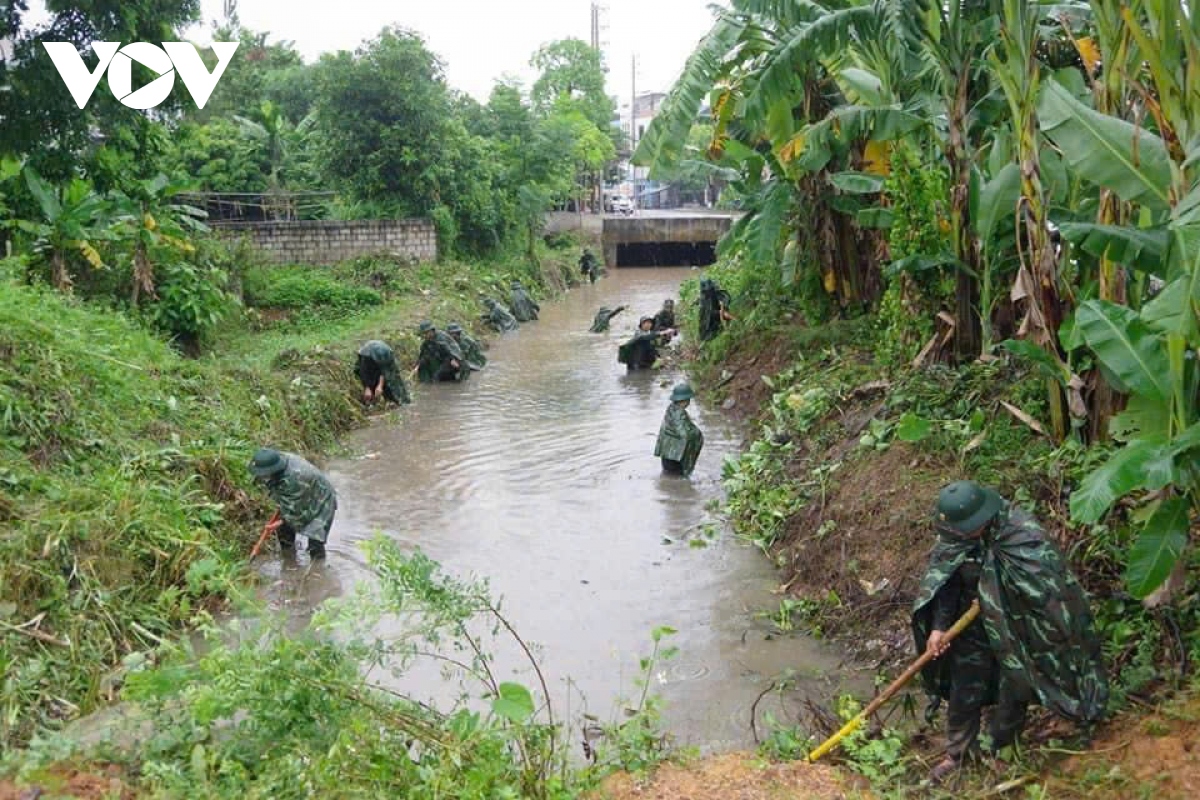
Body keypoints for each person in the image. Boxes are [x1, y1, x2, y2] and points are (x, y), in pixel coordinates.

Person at [913, 481, 1109, 784]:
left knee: (1013, 688)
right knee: (964, 688)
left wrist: (997, 597)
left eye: (968, 530)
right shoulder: (954, 535)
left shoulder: (1022, 536)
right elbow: (945, 583)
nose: (962, 535)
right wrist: (939, 627)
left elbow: (1048, 592)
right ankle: (958, 753)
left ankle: (1001, 750)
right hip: (970, 630)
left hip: (1016, 630)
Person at [249, 447, 338, 559]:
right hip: (301, 492)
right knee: (284, 532)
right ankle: (289, 560)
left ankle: (318, 570)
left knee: (315, 541)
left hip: (322, 500)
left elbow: (295, 512)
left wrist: (278, 522)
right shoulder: (278, 460)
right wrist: (281, 522)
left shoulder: (294, 478)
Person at [654, 383, 704, 476]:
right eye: (688, 399)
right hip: (676, 455)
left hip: (666, 451)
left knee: (667, 476)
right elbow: (684, 434)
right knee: (677, 478)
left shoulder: (671, 408)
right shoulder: (679, 414)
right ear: (685, 401)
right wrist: (696, 434)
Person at [355, 339, 410, 406]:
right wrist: (367, 387)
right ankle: (372, 401)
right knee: (371, 381)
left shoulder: (387, 355)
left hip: (385, 360)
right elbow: (364, 372)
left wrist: (380, 385)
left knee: (393, 382)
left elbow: (385, 370)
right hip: (369, 360)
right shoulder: (366, 357)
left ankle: (402, 400)